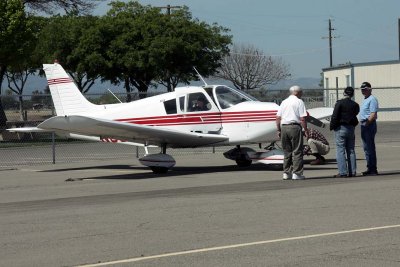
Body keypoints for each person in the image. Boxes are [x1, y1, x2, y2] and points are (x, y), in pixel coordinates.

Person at [276, 85, 309, 180]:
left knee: (286, 151)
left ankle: (286, 173)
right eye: (301, 92)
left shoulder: (284, 102)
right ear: (297, 92)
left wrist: (279, 130)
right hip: (295, 127)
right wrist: (305, 130)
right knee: (297, 151)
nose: (302, 94)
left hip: (284, 127)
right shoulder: (299, 101)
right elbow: (302, 118)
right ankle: (297, 173)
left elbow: (278, 118)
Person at [330, 86, 360, 177]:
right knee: (351, 150)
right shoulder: (355, 105)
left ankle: (343, 172)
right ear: (352, 94)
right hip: (351, 128)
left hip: (340, 128)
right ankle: (352, 171)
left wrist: (332, 126)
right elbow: (355, 115)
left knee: (340, 150)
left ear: (344, 93)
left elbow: (335, 116)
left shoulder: (339, 103)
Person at [359, 82, 379, 176]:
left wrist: (366, 123)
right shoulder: (365, 99)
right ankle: (369, 167)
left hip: (368, 124)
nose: (363, 91)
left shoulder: (372, 99)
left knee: (370, 147)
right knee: (366, 148)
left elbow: (373, 114)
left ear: (370, 89)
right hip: (364, 124)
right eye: (362, 89)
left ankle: (373, 169)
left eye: (365, 89)